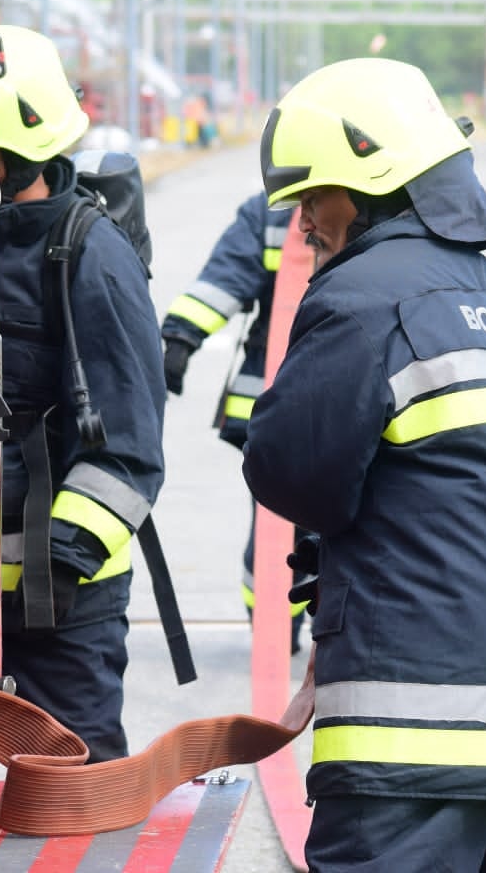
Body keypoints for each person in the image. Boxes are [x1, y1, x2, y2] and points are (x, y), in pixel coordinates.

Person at [242, 56, 486, 870]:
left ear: (367, 186)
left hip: (407, 739)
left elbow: (289, 471)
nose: (302, 224)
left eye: (311, 196)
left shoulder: (361, 300)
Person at [0, 25, 167, 761]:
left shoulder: (90, 254)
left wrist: (58, 565)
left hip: (65, 604)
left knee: (73, 801)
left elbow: (129, 449)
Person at [159, 196, 311, 651]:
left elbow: (226, 274)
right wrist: (180, 337)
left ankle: (281, 625)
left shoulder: (275, 209)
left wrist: (180, 338)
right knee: (281, 532)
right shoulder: (274, 212)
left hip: (284, 403)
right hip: (282, 406)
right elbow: (225, 278)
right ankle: (276, 624)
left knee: (282, 529)